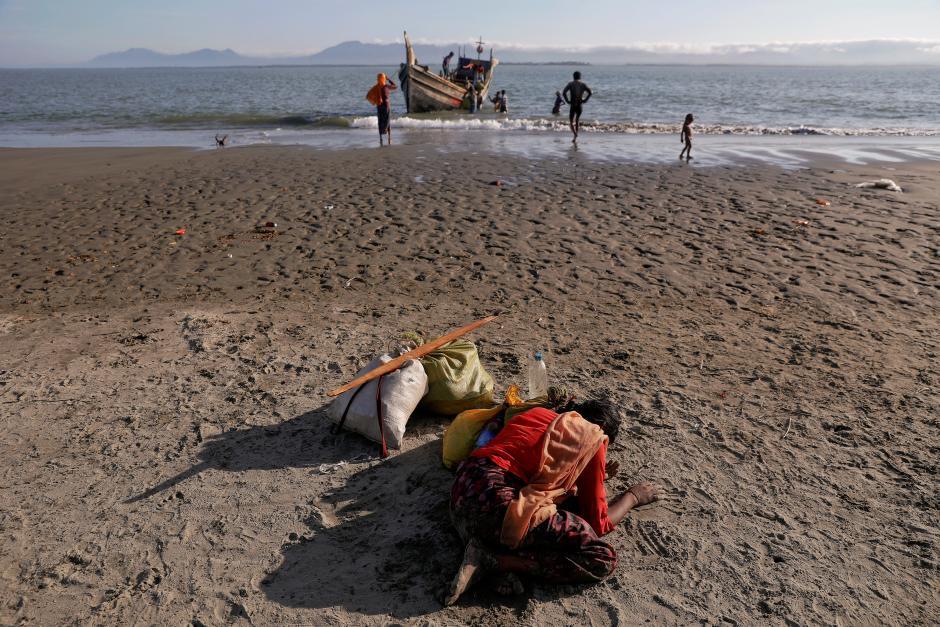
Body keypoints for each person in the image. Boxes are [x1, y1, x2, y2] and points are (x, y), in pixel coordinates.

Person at [444, 399, 662, 605]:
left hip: (462, 495)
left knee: (550, 514)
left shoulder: (537, 414)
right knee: (601, 558)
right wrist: (632, 497)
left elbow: (536, 468)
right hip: (494, 508)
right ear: (602, 428)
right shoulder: (592, 437)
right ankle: (496, 561)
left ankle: (489, 547)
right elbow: (598, 523)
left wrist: (594, 476)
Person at [366, 73, 397, 146]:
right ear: (384, 78)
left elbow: (368, 95)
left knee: (380, 121)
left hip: (379, 106)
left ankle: (381, 138)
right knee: (387, 119)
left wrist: (375, 100)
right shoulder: (386, 86)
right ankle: (388, 137)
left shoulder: (376, 87)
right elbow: (395, 86)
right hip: (386, 105)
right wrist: (389, 79)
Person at [562, 71, 592, 142]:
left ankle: (575, 134)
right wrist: (585, 100)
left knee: (571, 122)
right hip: (580, 105)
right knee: (577, 120)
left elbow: (564, 92)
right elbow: (590, 92)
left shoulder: (570, 84)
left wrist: (567, 101)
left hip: (573, 105)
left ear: (573, 77)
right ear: (580, 77)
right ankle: (575, 137)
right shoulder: (583, 84)